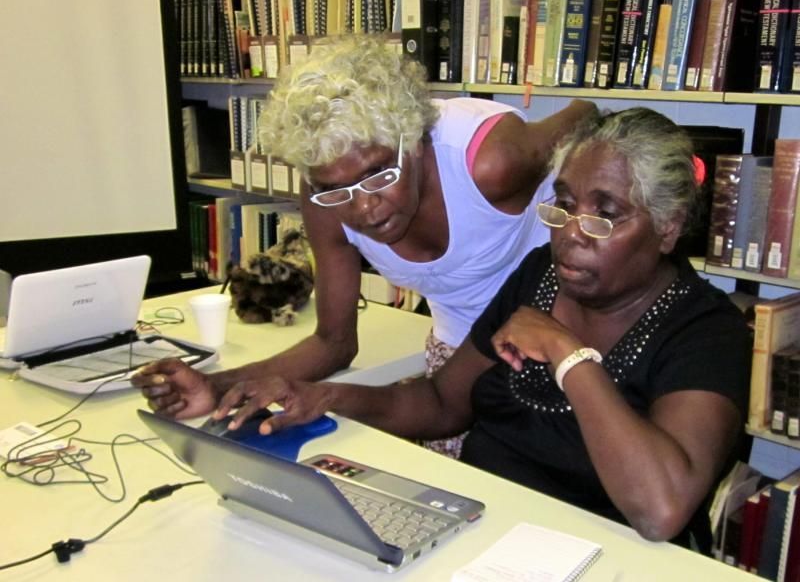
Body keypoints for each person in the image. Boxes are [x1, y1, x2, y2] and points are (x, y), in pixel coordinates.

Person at [142, 107, 751, 549]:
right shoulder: (540, 276)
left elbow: (660, 510)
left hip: (598, 554)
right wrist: (318, 398)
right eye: (562, 203)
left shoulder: (707, 332)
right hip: (483, 532)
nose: (568, 231)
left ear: (668, 227)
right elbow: (440, 403)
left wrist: (569, 356)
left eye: (604, 215)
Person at [135, 34, 596, 456]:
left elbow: (586, 114)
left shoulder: (495, 162)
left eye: (378, 175)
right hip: (457, 357)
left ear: (413, 142)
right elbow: (334, 343)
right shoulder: (324, 198)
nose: (363, 210)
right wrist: (216, 387)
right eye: (336, 189)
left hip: (554, 336)